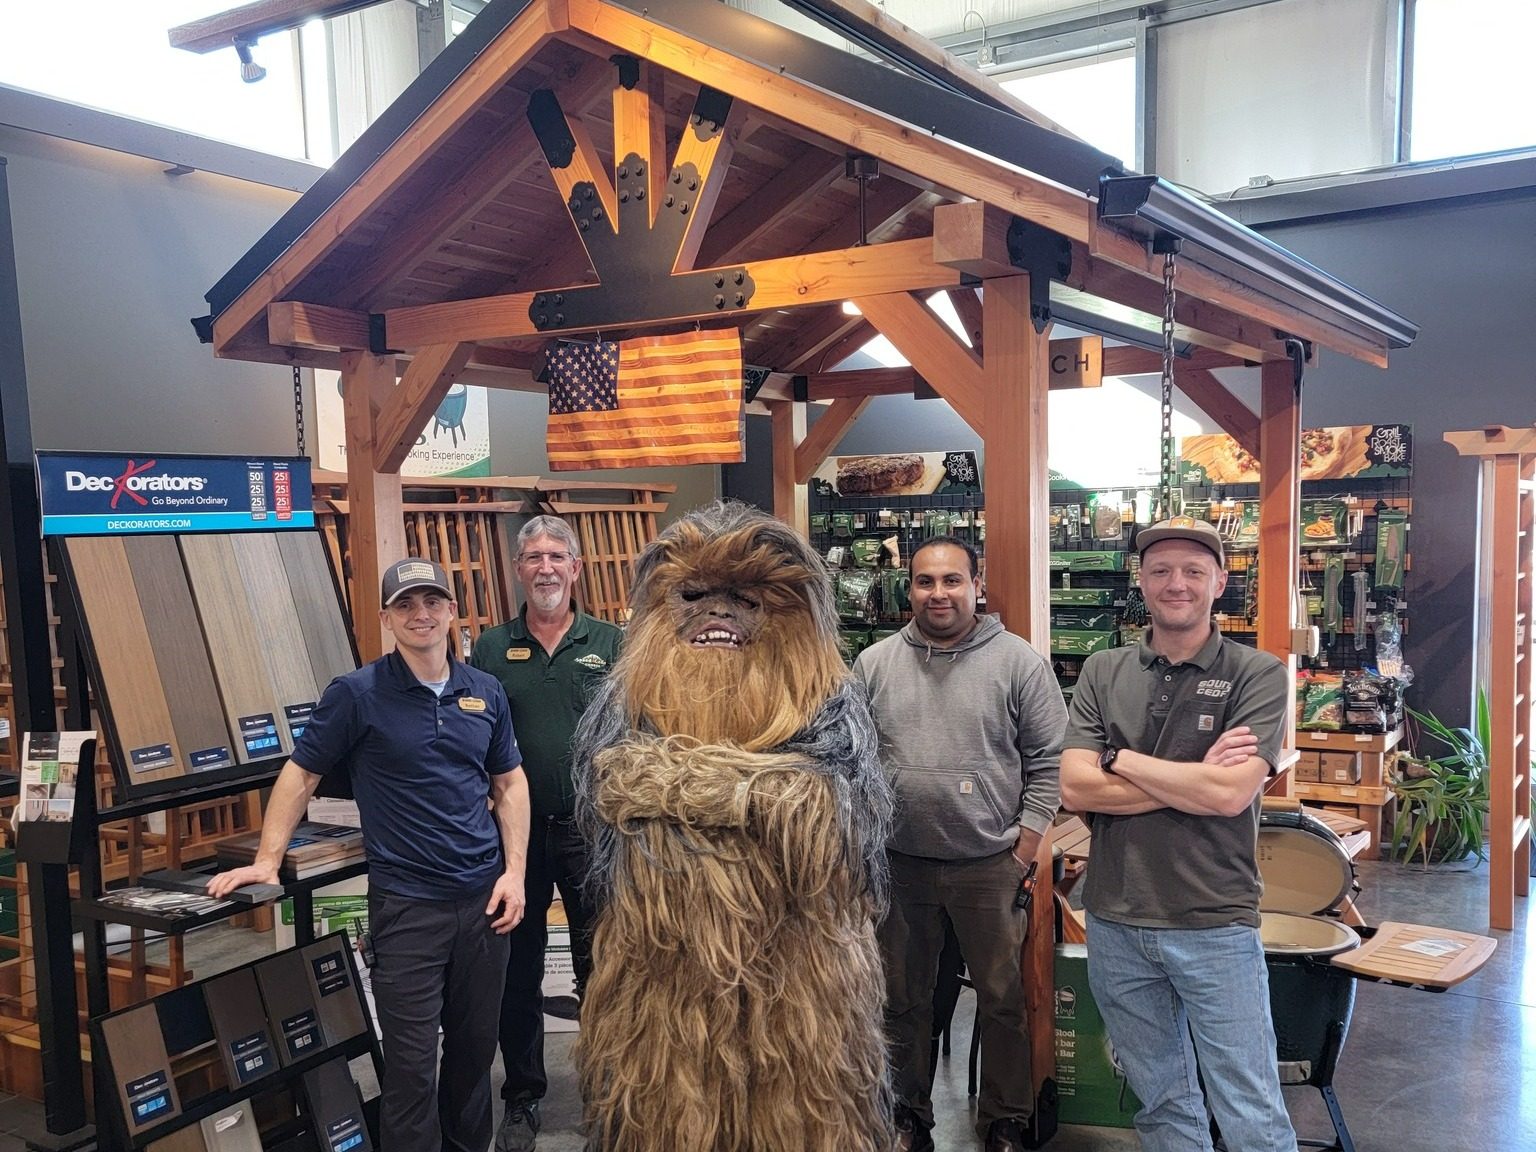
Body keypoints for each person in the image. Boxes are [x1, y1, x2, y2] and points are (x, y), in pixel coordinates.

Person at [210, 556, 529, 1152]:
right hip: (407, 908)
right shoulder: (357, 694)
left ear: (452, 611)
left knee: (473, 1056)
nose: (421, 614)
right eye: (405, 605)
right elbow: (300, 775)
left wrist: (514, 873)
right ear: (387, 618)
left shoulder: (485, 691)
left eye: (432, 602)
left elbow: (509, 783)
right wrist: (267, 858)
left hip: (485, 903)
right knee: (410, 1068)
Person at [1059, 516, 1296, 1152]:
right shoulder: (1104, 670)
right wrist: (1190, 778)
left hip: (1214, 921)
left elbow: (1229, 794)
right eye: (1160, 570)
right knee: (1160, 1103)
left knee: (1249, 1106)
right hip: (1115, 920)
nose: (1176, 584)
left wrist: (1121, 758)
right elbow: (1074, 789)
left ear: (1220, 582)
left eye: (1194, 571)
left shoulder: (1259, 674)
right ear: (1140, 581)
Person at [853, 535, 1066, 1152]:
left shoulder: (1019, 662)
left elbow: (1049, 763)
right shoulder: (874, 664)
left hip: (989, 865)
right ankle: (906, 1114)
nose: (938, 593)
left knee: (1001, 1000)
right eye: (925, 582)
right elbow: (852, 759)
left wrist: (1022, 850)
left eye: (951, 581)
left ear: (978, 585)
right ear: (909, 590)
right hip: (900, 865)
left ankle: (1006, 1118)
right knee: (902, 1000)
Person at [470, 517, 621, 1152]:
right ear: (518, 570)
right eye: (533, 557)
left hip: (593, 832)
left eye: (557, 556)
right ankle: (523, 1096)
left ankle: (609, 1098)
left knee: (604, 970)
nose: (545, 567)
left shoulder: (612, 643)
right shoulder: (489, 648)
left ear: (577, 568)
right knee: (517, 967)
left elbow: (634, 731)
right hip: (516, 841)